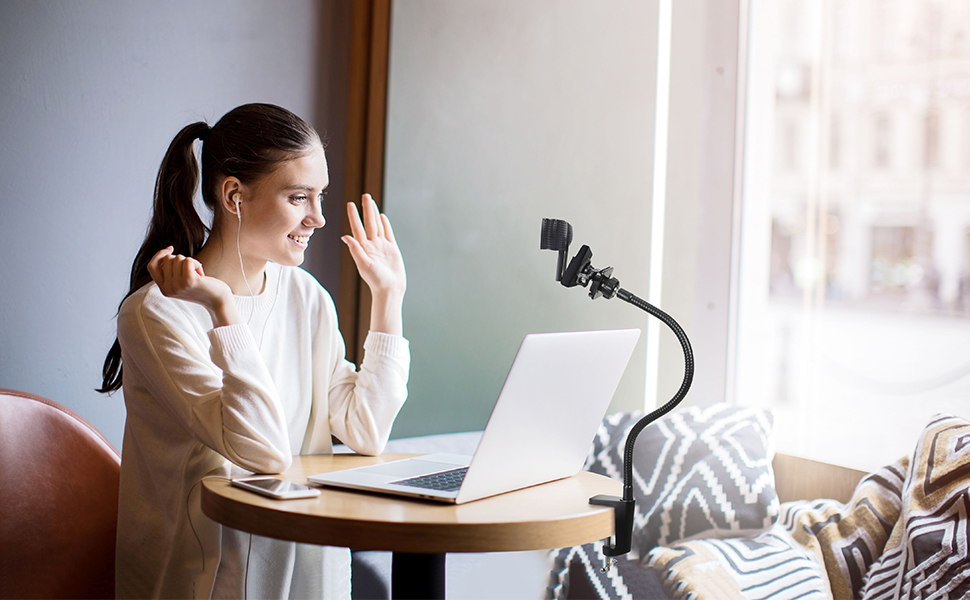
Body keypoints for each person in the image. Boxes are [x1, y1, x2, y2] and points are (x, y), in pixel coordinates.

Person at [98, 103, 409, 599]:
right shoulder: (158, 314)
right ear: (234, 195)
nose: (319, 218)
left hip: (310, 566)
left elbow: (365, 430)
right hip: (210, 577)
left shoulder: (306, 297)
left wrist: (388, 297)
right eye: (299, 197)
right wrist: (224, 309)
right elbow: (262, 452)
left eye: (320, 196)